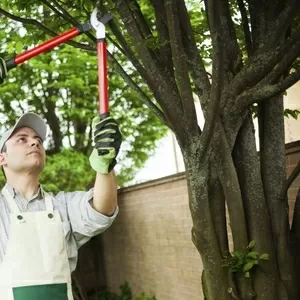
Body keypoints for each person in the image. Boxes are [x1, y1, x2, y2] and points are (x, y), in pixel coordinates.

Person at [0, 111, 122, 300]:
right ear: (2, 159)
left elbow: (101, 210)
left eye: (38, 140)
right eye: (22, 139)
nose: (35, 142)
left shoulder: (62, 205)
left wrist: (105, 166)